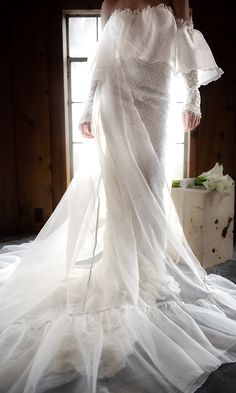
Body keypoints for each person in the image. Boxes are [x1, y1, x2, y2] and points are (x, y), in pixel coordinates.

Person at [0, 1, 236, 393]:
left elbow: (187, 47)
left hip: (157, 95)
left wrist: (193, 97)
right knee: (118, 186)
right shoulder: (113, 1)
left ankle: (146, 269)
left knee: (150, 180)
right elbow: (103, 57)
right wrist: (89, 106)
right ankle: (120, 269)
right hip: (116, 95)